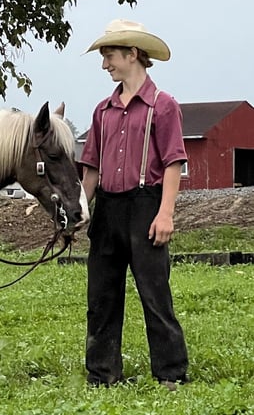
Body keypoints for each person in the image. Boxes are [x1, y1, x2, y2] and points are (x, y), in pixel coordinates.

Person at [79, 19, 189, 390]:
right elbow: (91, 167)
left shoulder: (163, 105)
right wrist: (81, 208)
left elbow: (174, 161)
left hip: (146, 205)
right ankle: (102, 373)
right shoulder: (102, 111)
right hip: (107, 208)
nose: (105, 64)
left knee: (154, 292)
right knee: (101, 295)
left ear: (132, 54)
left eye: (109, 55)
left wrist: (165, 213)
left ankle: (170, 373)